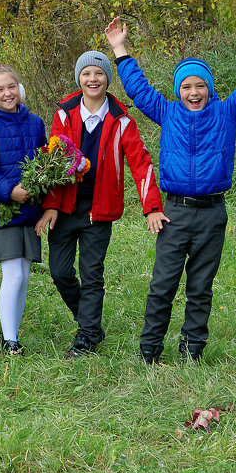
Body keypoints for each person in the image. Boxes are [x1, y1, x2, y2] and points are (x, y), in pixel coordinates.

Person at [107, 5, 236, 363]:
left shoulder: (228, 111)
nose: (194, 91)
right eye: (186, 86)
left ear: (210, 88)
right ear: (178, 91)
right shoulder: (167, 112)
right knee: (162, 286)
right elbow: (139, 90)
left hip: (213, 214)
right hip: (174, 213)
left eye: (200, 85)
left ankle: (191, 353)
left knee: (200, 288)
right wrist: (120, 49)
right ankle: (149, 351)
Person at [35, 51, 164, 358]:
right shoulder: (65, 114)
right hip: (65, 209)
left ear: (107, 78)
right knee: (60, 272)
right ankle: (89, 321)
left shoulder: (121, 120)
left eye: (99, 74)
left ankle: (87, 335)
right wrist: (51, 205)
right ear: (79, 79)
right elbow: (54, 162)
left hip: (98, 211)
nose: (92, 79)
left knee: (91, 273)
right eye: (86, 74)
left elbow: (140, 162)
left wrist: (152, 207)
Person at [0, 65, 46, 355]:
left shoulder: (35, 123)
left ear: (20, 88)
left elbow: (43, 160)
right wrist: (9, 191)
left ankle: (14, 333)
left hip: (30, 210)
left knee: (25, 276)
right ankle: (8, 339)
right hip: (2, 209)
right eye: (0, 89)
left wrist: (38, 191)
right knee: (13, 275)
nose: (7, 93)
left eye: (11, 87)